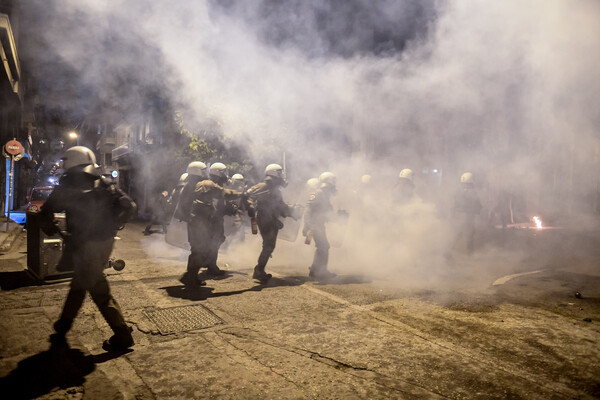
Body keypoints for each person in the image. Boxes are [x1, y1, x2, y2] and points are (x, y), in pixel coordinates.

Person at [39, 146, 137, 351]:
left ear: (71, 162)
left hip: (84, 245)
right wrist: (113, 226)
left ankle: (121, 333)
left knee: (95, 289)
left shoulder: (67, 186)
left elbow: (45, 214)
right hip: (105, 244)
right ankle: (62, 329)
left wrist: (55, 231)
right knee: (82, 285)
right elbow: (129, 207)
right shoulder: (105, 184)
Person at [179, 162, 242, 287]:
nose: (206, 172)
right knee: (204, 248)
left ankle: (193, 275)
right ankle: (191, 276)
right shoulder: (207, 185)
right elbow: (222, 198)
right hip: (205, 222)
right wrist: (242, 195)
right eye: (203, 170)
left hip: (197, 222)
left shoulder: (190, 185)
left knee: (200, 248)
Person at [244, 164, 296, 283]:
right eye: (279, 172)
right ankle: (258, 271)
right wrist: (251, 206)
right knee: (268, 246)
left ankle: (259, 270)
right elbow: (247, 194)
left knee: (269, 246)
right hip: (265, 218)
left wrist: (291, 212)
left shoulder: (275, 189)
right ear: (274, 174)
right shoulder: (263, 186)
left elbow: (280, 205)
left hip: (271, 219)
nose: (282, 175)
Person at [303, 171, 339, 279]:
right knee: (324, 246)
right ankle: (320, 271)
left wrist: (336, 217)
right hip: (315, 224)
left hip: (318, 224)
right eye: (333, 182)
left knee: (322, 246)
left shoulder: (324, 194)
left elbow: (324, 211)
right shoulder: (319, 193)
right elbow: (308, 209)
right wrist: (309, 225)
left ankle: (315, 270)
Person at [451, 172, 482, 254]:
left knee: (458, 234)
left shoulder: (458, 192)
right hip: (468, 216)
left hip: (459, 216)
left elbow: (454, 205)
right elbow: (478, 205)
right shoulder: (472, 193)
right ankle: (469, 254)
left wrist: (453, 215)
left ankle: (449, 250)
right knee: (470, 235)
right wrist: (478, 209)